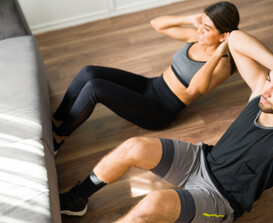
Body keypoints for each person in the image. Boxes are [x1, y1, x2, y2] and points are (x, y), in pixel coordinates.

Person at [59, 29, 273, 223]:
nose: (266, 90)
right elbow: (236, 38)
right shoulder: (261, 93)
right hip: (202, 159)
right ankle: (77, 198)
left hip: (220, 199)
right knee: (134, 146)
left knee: (154, 203)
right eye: (270, 81)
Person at [51, 1, 240, 153]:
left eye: (207, 28)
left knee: (95, 88)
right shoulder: (196, 37)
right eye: (202, 24)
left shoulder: (221, 65)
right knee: (88, 72)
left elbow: (193, 89)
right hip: (151, 85)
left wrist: (217, 54)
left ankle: (59, 137)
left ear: (223, 36)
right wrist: (190, 18)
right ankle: (58, 118)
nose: (200, 30)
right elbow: (157, 24)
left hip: (160, 109)